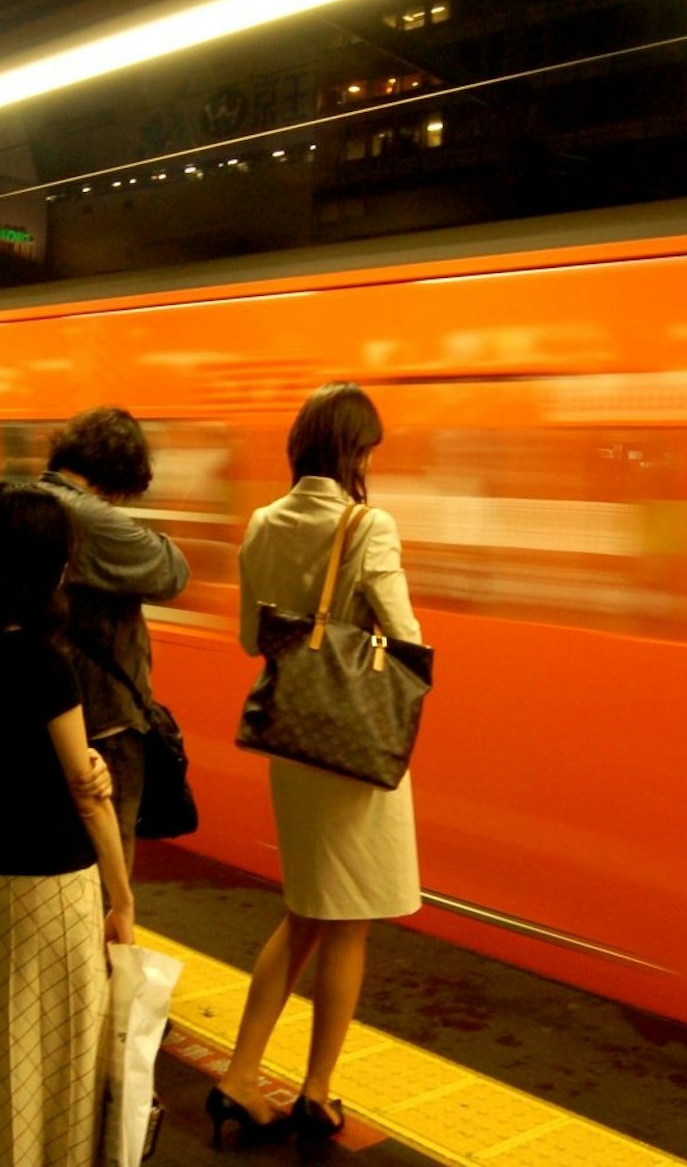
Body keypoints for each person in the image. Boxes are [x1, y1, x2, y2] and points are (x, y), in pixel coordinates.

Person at [209, 383, 422, 1146]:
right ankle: (318, 1090)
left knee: (304, 911)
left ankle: (239, 1072)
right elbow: (403, 632)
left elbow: (247, 639)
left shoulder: (264, 522)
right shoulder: (369, 525)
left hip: (293, 746)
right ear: (354, 450)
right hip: (352, 748)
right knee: (348, 924)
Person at [0, 482, 135, 1167]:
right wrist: (122, 898)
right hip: (52, 887)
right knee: (58, 1059)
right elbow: (86, 793)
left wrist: (84, 765)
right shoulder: (44, 664)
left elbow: (8, 754)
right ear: (44, 568)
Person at [38, 406, 189, 874]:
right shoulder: (86, 516)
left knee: (58, 852)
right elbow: (172, 569)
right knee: (107, 858)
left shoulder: (25, 500)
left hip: (48, 713)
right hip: (104, 719)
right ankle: (106, 940)